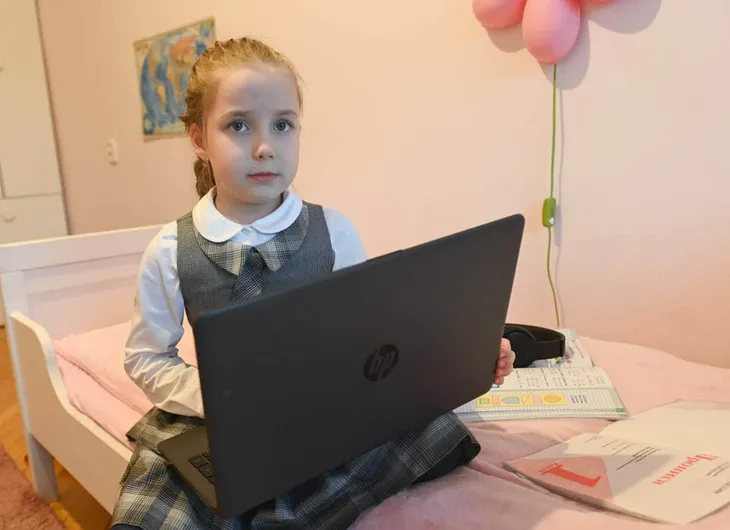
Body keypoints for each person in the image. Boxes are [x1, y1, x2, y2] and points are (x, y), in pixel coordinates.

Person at [111, 36, 516, 530]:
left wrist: (468, 352)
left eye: (282, 125)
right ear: (199, 140)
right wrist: (213, 400)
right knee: (159, 502)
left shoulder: (333, 232)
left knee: (432, 429)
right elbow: (146, 357)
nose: (264, 147)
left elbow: (376, 339)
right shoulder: (172, 249)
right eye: (238, 125)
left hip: (321, 415)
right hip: (224, 428)